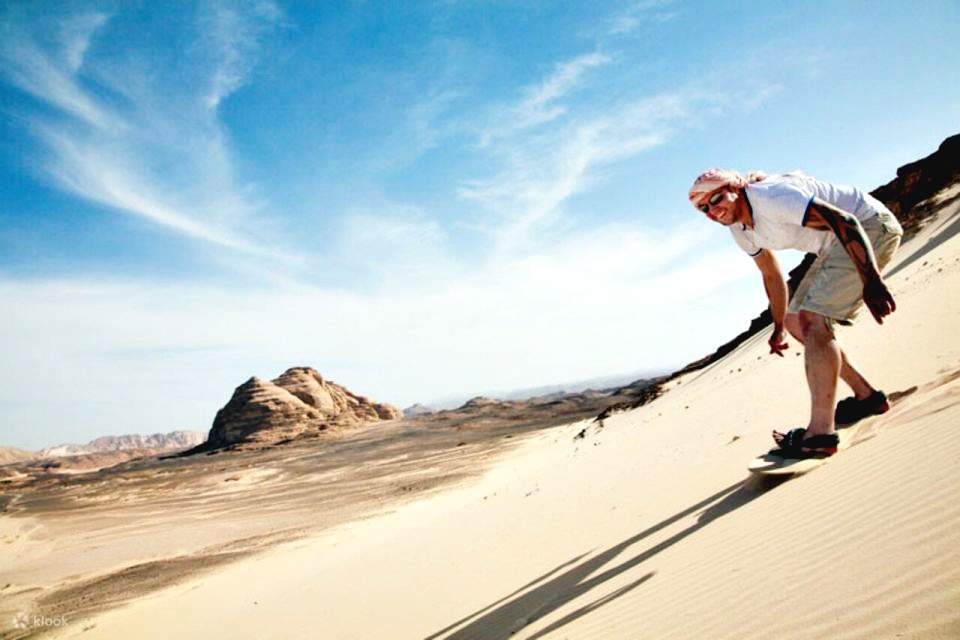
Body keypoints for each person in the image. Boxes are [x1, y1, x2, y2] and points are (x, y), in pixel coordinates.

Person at [688, 168, 903, 458]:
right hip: (834, 244)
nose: (712, 211)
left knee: (813, 321)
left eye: (716, 199)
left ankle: (820, 435)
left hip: (869, 227)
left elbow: (845, 220)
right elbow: (771, 275)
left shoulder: (771, 198)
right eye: (704, 209)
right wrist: (778, 326)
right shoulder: (739, 229)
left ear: (735, 189)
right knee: (796, 321)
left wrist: (871, 280)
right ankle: (867, 397)